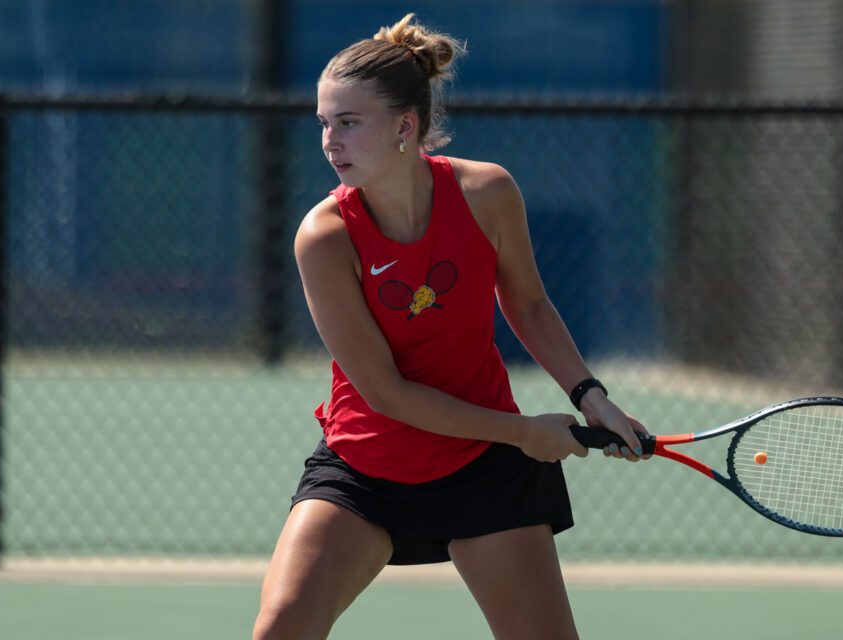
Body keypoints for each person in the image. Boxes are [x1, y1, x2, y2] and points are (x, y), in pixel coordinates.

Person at [253, 14, 650, 640]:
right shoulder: (324, 237)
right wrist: (524, 432)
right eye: (324, 124)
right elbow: (386, 393)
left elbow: (530, 306)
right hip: (366, 467)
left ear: (405, 126)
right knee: (281, 628)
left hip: (483, 466)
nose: (330, 141)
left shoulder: (487, 192)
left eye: (349, 123)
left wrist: (589, 396)